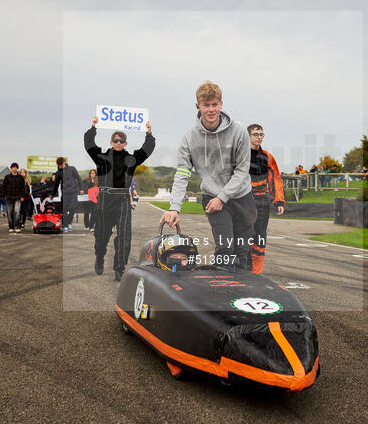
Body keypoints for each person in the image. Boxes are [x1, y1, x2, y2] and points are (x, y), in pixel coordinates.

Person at [161, 81, 256, 270]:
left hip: (242, 196)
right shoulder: (189, 137)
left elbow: (242, 170)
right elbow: (182, 174)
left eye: (214, 105)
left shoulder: (239, 131)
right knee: (225, 247)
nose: (211, 110)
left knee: (242, 251)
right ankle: (221, 291)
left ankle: (242, 293)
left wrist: (224, 197)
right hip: (212, 199)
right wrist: (174, 208)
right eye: (206, 105)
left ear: (221, 104)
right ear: (198, 106)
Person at [85, 117, 154, 279]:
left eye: (121, 141)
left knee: (124, 236)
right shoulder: (100, 158)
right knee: (101, 237)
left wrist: (149, 133)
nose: (118, 142)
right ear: (110, 142)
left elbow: (147, 149)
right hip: (104, 201)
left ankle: (119, 267)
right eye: (115, 140)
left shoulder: (131, 160)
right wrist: (93, 127)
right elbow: (88, 144)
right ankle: (99, 258)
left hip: (122, 201)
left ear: (125, 144)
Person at [246, 124, 285, 274]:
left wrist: (279, 200)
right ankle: (242, 269)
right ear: (248, 136)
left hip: (262, 201)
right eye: (255, 134)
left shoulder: (268, 157)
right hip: (244, 200)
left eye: (261, 134)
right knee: (243, 236)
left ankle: (256, 273)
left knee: (260, 237)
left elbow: (275, 178)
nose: (259, 137)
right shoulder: (240, 155)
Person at [52, 157, 83, 233]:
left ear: (64, 162)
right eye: (59, 165)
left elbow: (78, 178)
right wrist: (52, 194)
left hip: (73, 192)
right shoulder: (58, 173)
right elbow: (56, 184)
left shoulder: (72, 169)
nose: (61, 166)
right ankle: (65, 225)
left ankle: (69, 222)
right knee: (64, 210)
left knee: (73, 208)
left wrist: (81, 189)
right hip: (65, 193)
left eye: (62, 164)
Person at [2, 163, 26, 233]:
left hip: (18, 197)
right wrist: (5, 195)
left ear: (17, 168)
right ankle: (11, 226)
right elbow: (4, 187)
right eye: (13, 167)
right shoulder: (7, 177)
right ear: (11, 168)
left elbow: (22, 188)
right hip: (9, 197)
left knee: (17, 212)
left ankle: (17, 226)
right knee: (9, 213)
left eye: (16, 167)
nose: (14, 168)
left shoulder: (20, 177)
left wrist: (22, 196)